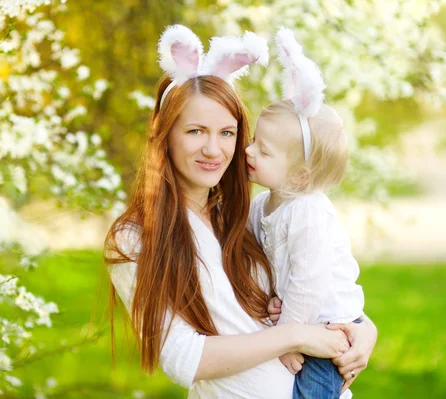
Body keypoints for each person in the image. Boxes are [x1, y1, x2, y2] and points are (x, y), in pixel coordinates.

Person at [105, 25, 377, 398]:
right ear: (165, 134)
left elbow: (316, 278)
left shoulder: (246, 215)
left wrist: (363, 330)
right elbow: (183, 357)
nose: (214, 150)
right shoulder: (135, 237)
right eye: (196, 131)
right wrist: (293, 336)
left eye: (227, 133)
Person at [246, 27, 367, 399]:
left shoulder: (307, 212)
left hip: (328, 326)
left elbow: (310, 281)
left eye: (263, 151)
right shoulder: (262, 204)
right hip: (303, 319)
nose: (248, 152)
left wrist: (287, 335)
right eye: (253, 140)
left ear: (300, 174)